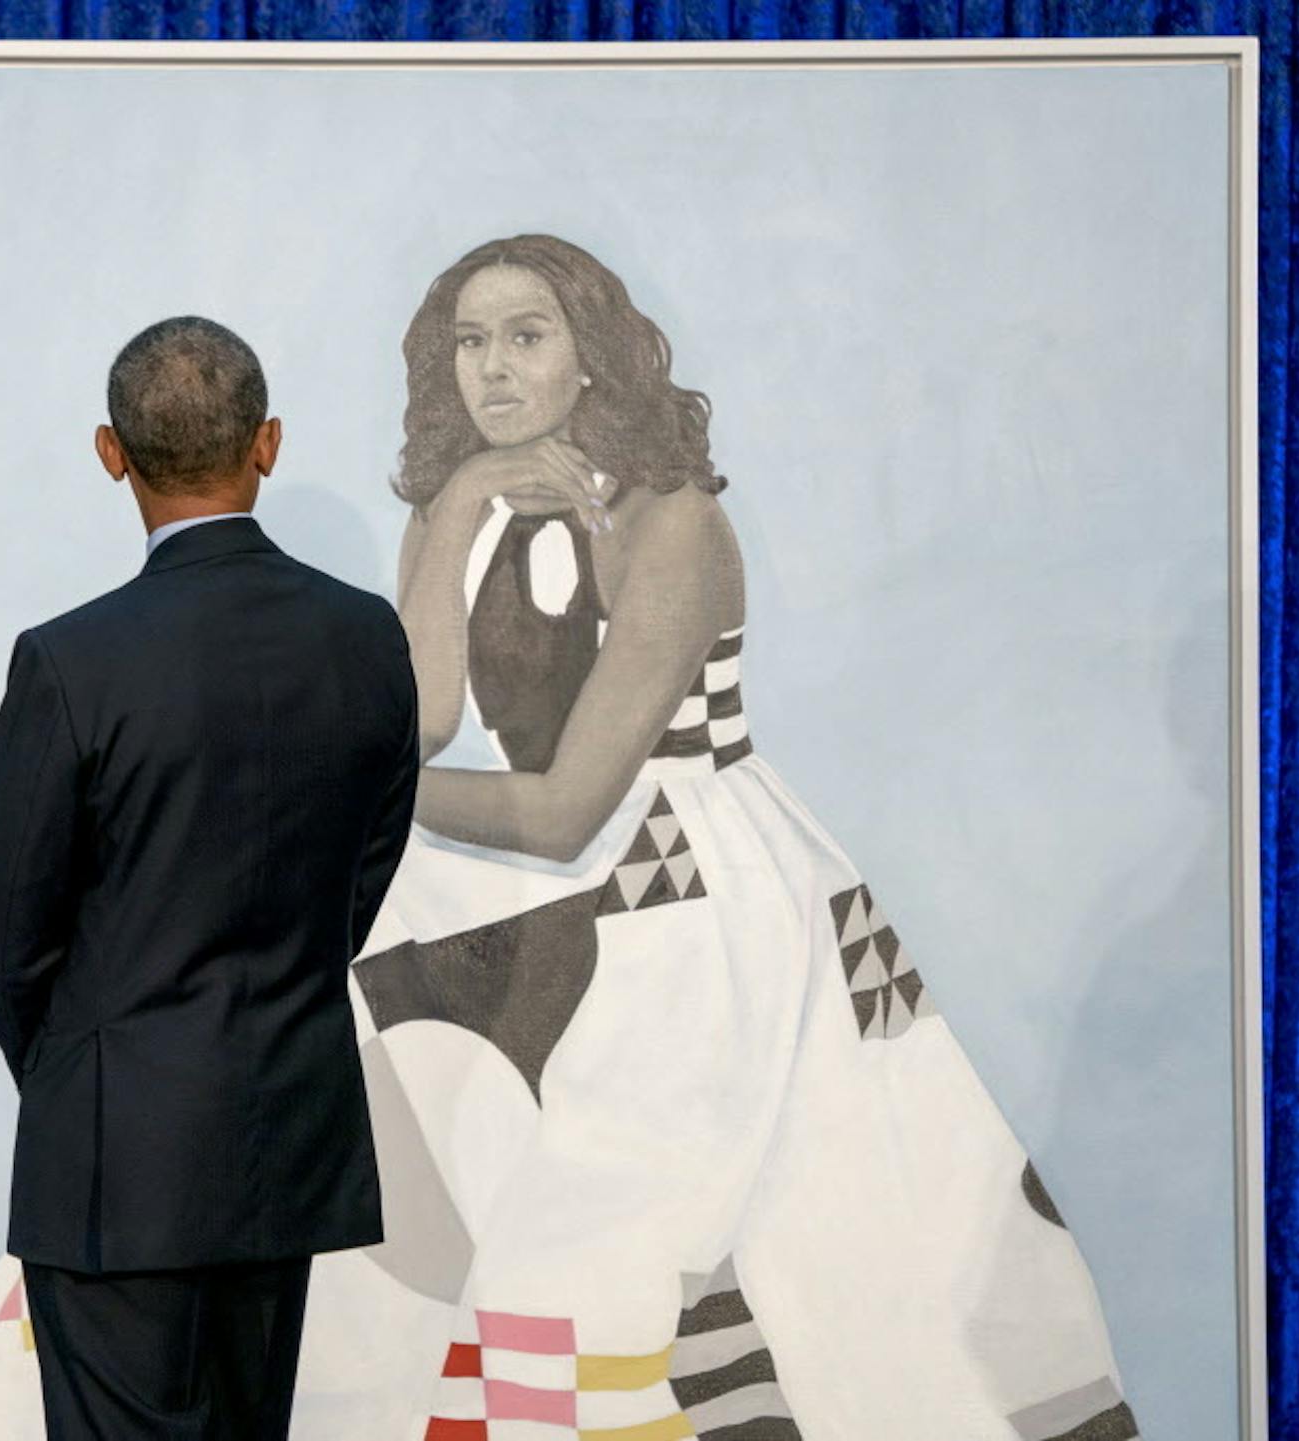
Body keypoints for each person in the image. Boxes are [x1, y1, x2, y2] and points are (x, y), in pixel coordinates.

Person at [296, 234, 1143, 1439]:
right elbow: (422, 721)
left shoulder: (672, 523)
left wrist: (355, 798)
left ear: (592, 355)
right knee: (405, 1159)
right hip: (542, 894)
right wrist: (465, 505)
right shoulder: (455, 503)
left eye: (526, 335)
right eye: (467, 343)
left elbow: (564, 809)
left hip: (689, 894)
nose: (491, 368)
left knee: (696, 1241)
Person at [0, 315, 420, 1440]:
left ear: (112, 454)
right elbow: (363, 873)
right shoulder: (367, 638)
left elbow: (5, 921)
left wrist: (88, 1065)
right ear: (267, 444)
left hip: (119, 1157)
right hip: (281, 1147)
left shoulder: (72, 659)